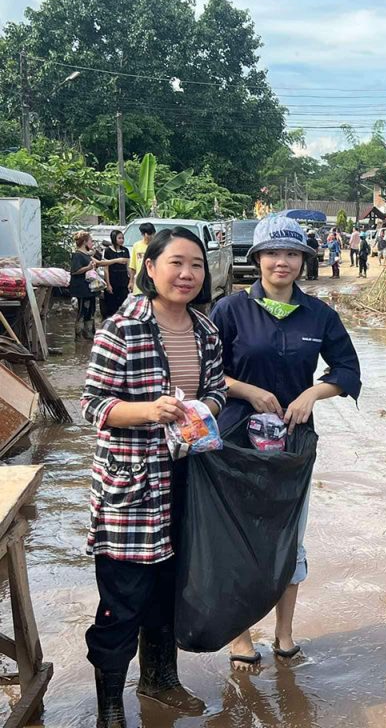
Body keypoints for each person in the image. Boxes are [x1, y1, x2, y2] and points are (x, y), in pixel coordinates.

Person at [81, 227, 226, 728]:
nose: (187, 274)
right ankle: (110, 706)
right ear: (150, 268)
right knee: (123, 598)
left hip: (187, 478)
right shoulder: (121, 328)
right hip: (132, 487)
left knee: (170, 589)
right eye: (176, 263)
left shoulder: (206, 331)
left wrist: (200, 410)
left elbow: (217, 392)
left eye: (196, 265)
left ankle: (161, 680)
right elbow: (92, 405)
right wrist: (148, 411)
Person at [210, 215, 361, 672]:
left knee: (289, 536)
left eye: (292, 253)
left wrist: (313, 393)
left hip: (293, 445)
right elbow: (203, 371)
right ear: (256, 258)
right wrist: (247, 390)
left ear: (303, 260)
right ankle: (240, 637)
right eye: (273, 253)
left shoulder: (319, 314)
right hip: (234, 443)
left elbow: (347, 370)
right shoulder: (230, 310)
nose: (283, 262)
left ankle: (285, 635)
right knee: (238, 536)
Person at [70, 231, 99, 340]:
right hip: (81, 289)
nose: (92, 243)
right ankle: (80, 337)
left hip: (89, 288)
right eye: (91, 241)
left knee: (90, 311)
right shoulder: (77, 255)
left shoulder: (87, 255)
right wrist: (88, 268)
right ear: (85, 242)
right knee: (82, 311)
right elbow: (75, 271)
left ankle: (89, 334)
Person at [99, 229, 131, 319]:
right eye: (119, 238)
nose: (121, 240)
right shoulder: (108, 251)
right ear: (114, 239)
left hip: (123, 280)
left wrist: (131, 280)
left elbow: (128, 267)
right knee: (111, 305)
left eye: (122, 238)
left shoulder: (125, 250)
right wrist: (108, 284)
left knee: (123, 304)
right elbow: (106, 269)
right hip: (112, 279)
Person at [128, 222, 156, 294]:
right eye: (147, 234)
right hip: (139, 284)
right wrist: (131, 281)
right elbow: (133, 266)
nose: (149, 236)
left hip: (153, 283)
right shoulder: (136, 246)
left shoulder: (156, 246)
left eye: (151, 234)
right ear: (143, 234)